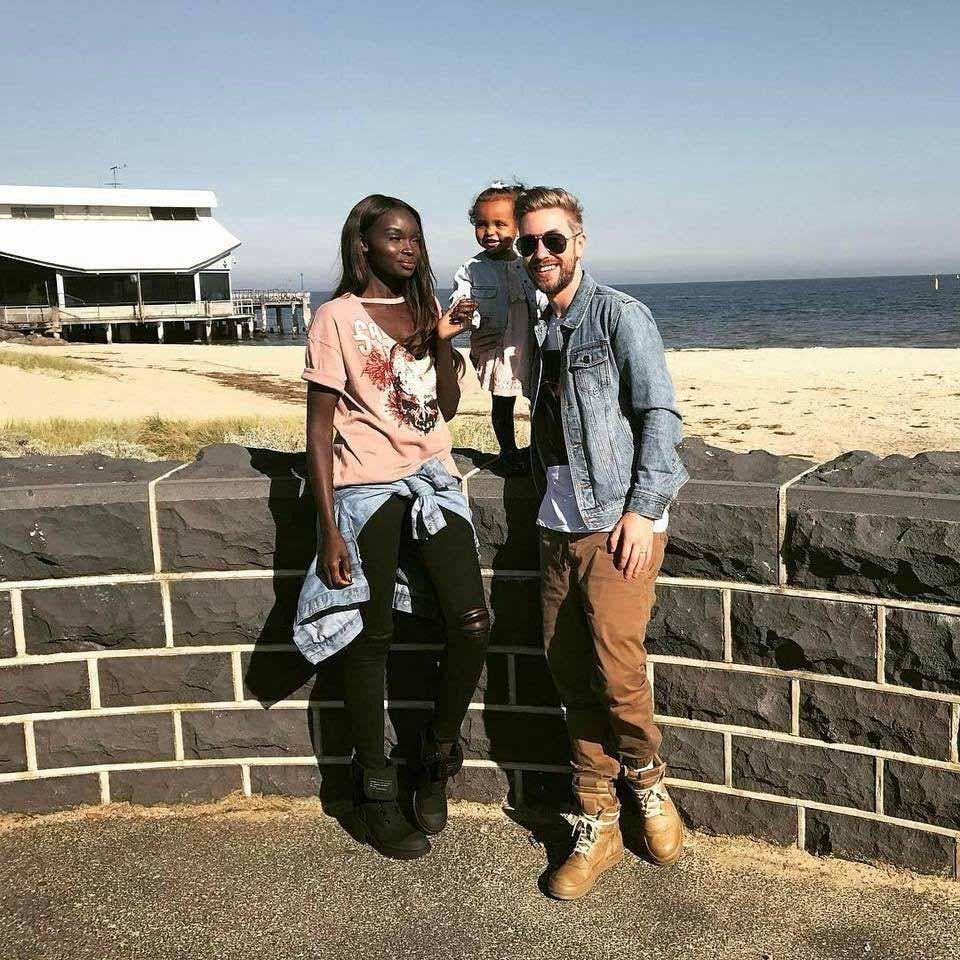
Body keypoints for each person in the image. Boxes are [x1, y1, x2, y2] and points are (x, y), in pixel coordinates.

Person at [293, 194, 490, 861]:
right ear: (364, 245)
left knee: (472, 623)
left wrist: (440, 344)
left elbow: (448, 408)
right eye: (393, 238)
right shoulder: (335, 318)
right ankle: (375, 789)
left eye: (414, 239)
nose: (406, 248)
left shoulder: (427, 310)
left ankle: (434, 754)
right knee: (369, 637)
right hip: (365, 487)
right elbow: (319, 429)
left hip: (432, 480)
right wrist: (329, 529)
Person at [516, 186, 689, 899]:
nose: (540, 255)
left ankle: (647, 782)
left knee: (618, 674)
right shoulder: (541, 323)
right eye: (528, 244)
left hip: (615, 523)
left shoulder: (619, 315)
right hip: (555, 525)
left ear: (579, 242)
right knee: (568, 673)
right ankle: (598, 819)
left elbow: (661, 413)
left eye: (553, 241)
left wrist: (645, 511)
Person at [450, 182, 546, 475]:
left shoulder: (528, 261)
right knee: (502, 401)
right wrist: (466, 312)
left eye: (500, 224)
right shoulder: (472, 268)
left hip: (529, 343)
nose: (490, 231)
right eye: (481, 224)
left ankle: (539, 451)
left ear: (518, 225)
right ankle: (508, 450)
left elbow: (544, 296)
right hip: (497, 344)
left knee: (538, 400)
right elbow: (460, 296)